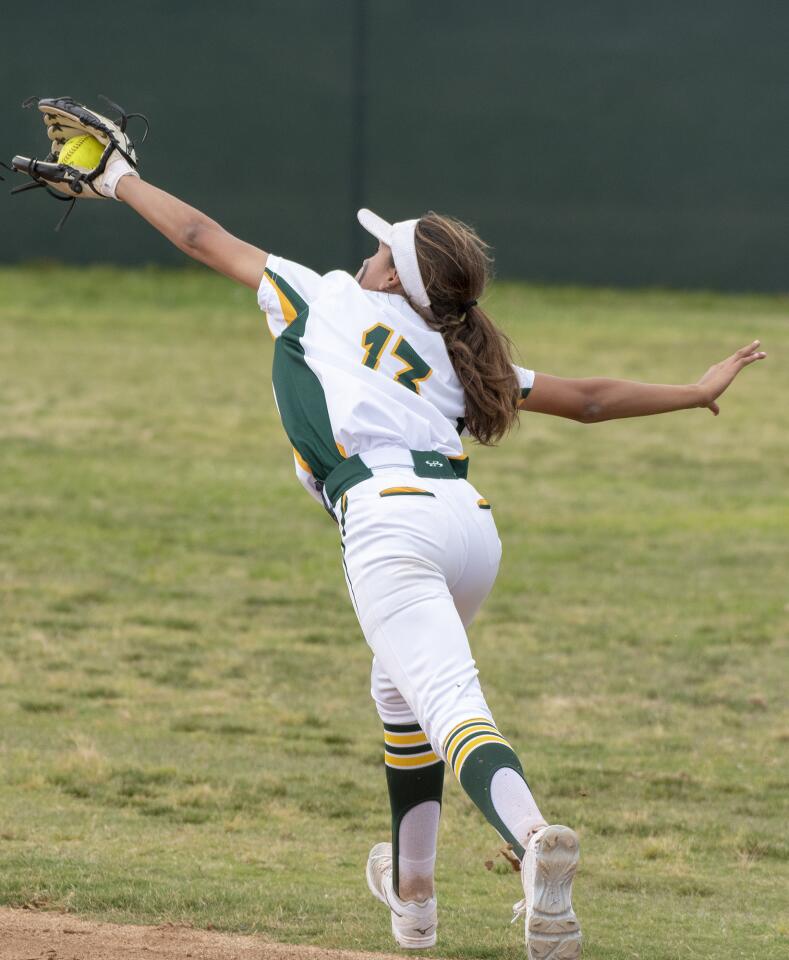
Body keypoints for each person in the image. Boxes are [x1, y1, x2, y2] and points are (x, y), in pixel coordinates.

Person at [92, 156, 766, 959]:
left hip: (388, 522)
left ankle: (535, 838)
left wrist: (116, 179)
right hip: (466, 524)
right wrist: (691, 393)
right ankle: (413, 900)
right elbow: (586, 400)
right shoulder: (459, 351)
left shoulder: (327, 295)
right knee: (399, 688)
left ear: (390, 282)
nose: (367, 256)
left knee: (450, 705)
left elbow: (202, 236)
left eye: (380, 252)